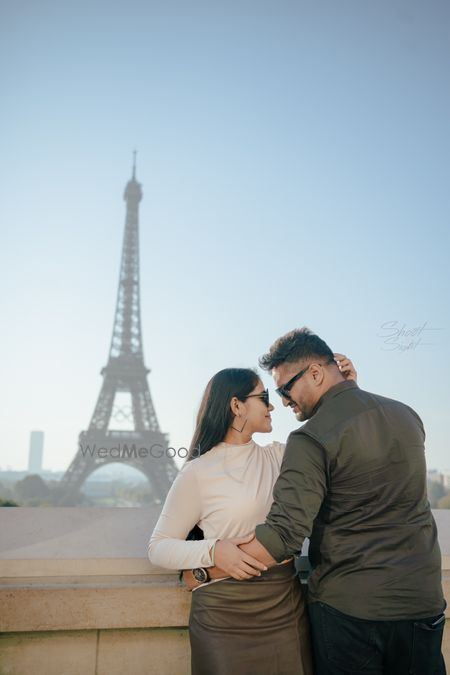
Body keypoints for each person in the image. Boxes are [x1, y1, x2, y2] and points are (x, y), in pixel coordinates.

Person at [190, 328, 446, 675]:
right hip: (421, 601)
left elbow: (283, 536)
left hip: (351, 612)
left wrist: (206, 571)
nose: (283, 402)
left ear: (315, 373)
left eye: (285, 389)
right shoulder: (406, 415)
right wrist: (349, 390)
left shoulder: (310, 438)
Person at [148, 357, 356, 675]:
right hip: (222, 617)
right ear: (237, 405)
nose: (272, 406)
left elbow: (335, 438)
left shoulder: (282, 455)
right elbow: (159, 547)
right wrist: (214, 550)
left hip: (285, 608)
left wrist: (345, 389)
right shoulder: (197, 472)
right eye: (264, 397)